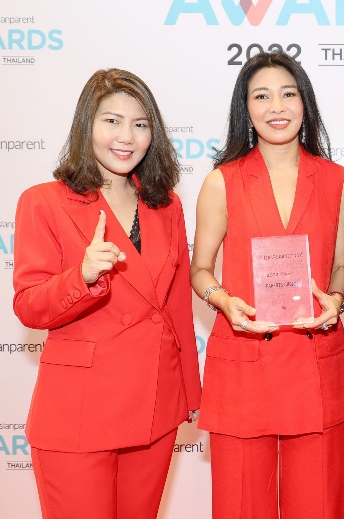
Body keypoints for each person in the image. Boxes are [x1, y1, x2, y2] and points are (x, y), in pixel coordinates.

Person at [12, 68, 202, 519]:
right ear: (87, 125)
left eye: (140, 124)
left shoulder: (166, 204)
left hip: (156, 403)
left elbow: (176, 306)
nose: (126, 137)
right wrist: (81, 276)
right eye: (112, 121)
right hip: (79, 408)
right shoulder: (43, 201)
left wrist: (190, 394)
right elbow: (29, 306)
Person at [190, 52, 344, 518]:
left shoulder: (337, 180)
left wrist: (336, 300)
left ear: (305, 103)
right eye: (262, 96)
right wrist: (223, 300)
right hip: (244, 360)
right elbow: (199, 270)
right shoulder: (221, 182)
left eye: (288, 94)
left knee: (319, 505)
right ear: (245, 108)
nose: (276, 107)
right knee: (242, 504)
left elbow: (340, 266)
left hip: (313, 360)